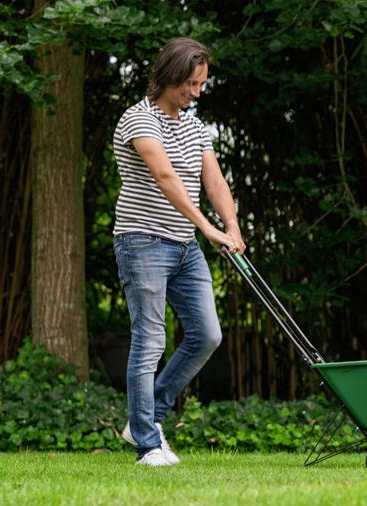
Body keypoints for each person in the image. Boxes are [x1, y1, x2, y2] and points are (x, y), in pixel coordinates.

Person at [111, 37, 246, 466]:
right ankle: (148, 445)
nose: (197, 92)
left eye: (202, 84)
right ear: (170, 76)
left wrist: (231, 227)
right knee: (150, 339)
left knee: (207, 335)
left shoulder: (194, 126)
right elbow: (165, 176)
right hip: (142, 241)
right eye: (191, 83)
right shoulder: (138, 119)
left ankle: (146, 417)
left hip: (185, 247)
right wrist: (207, 228)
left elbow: (215, 181)